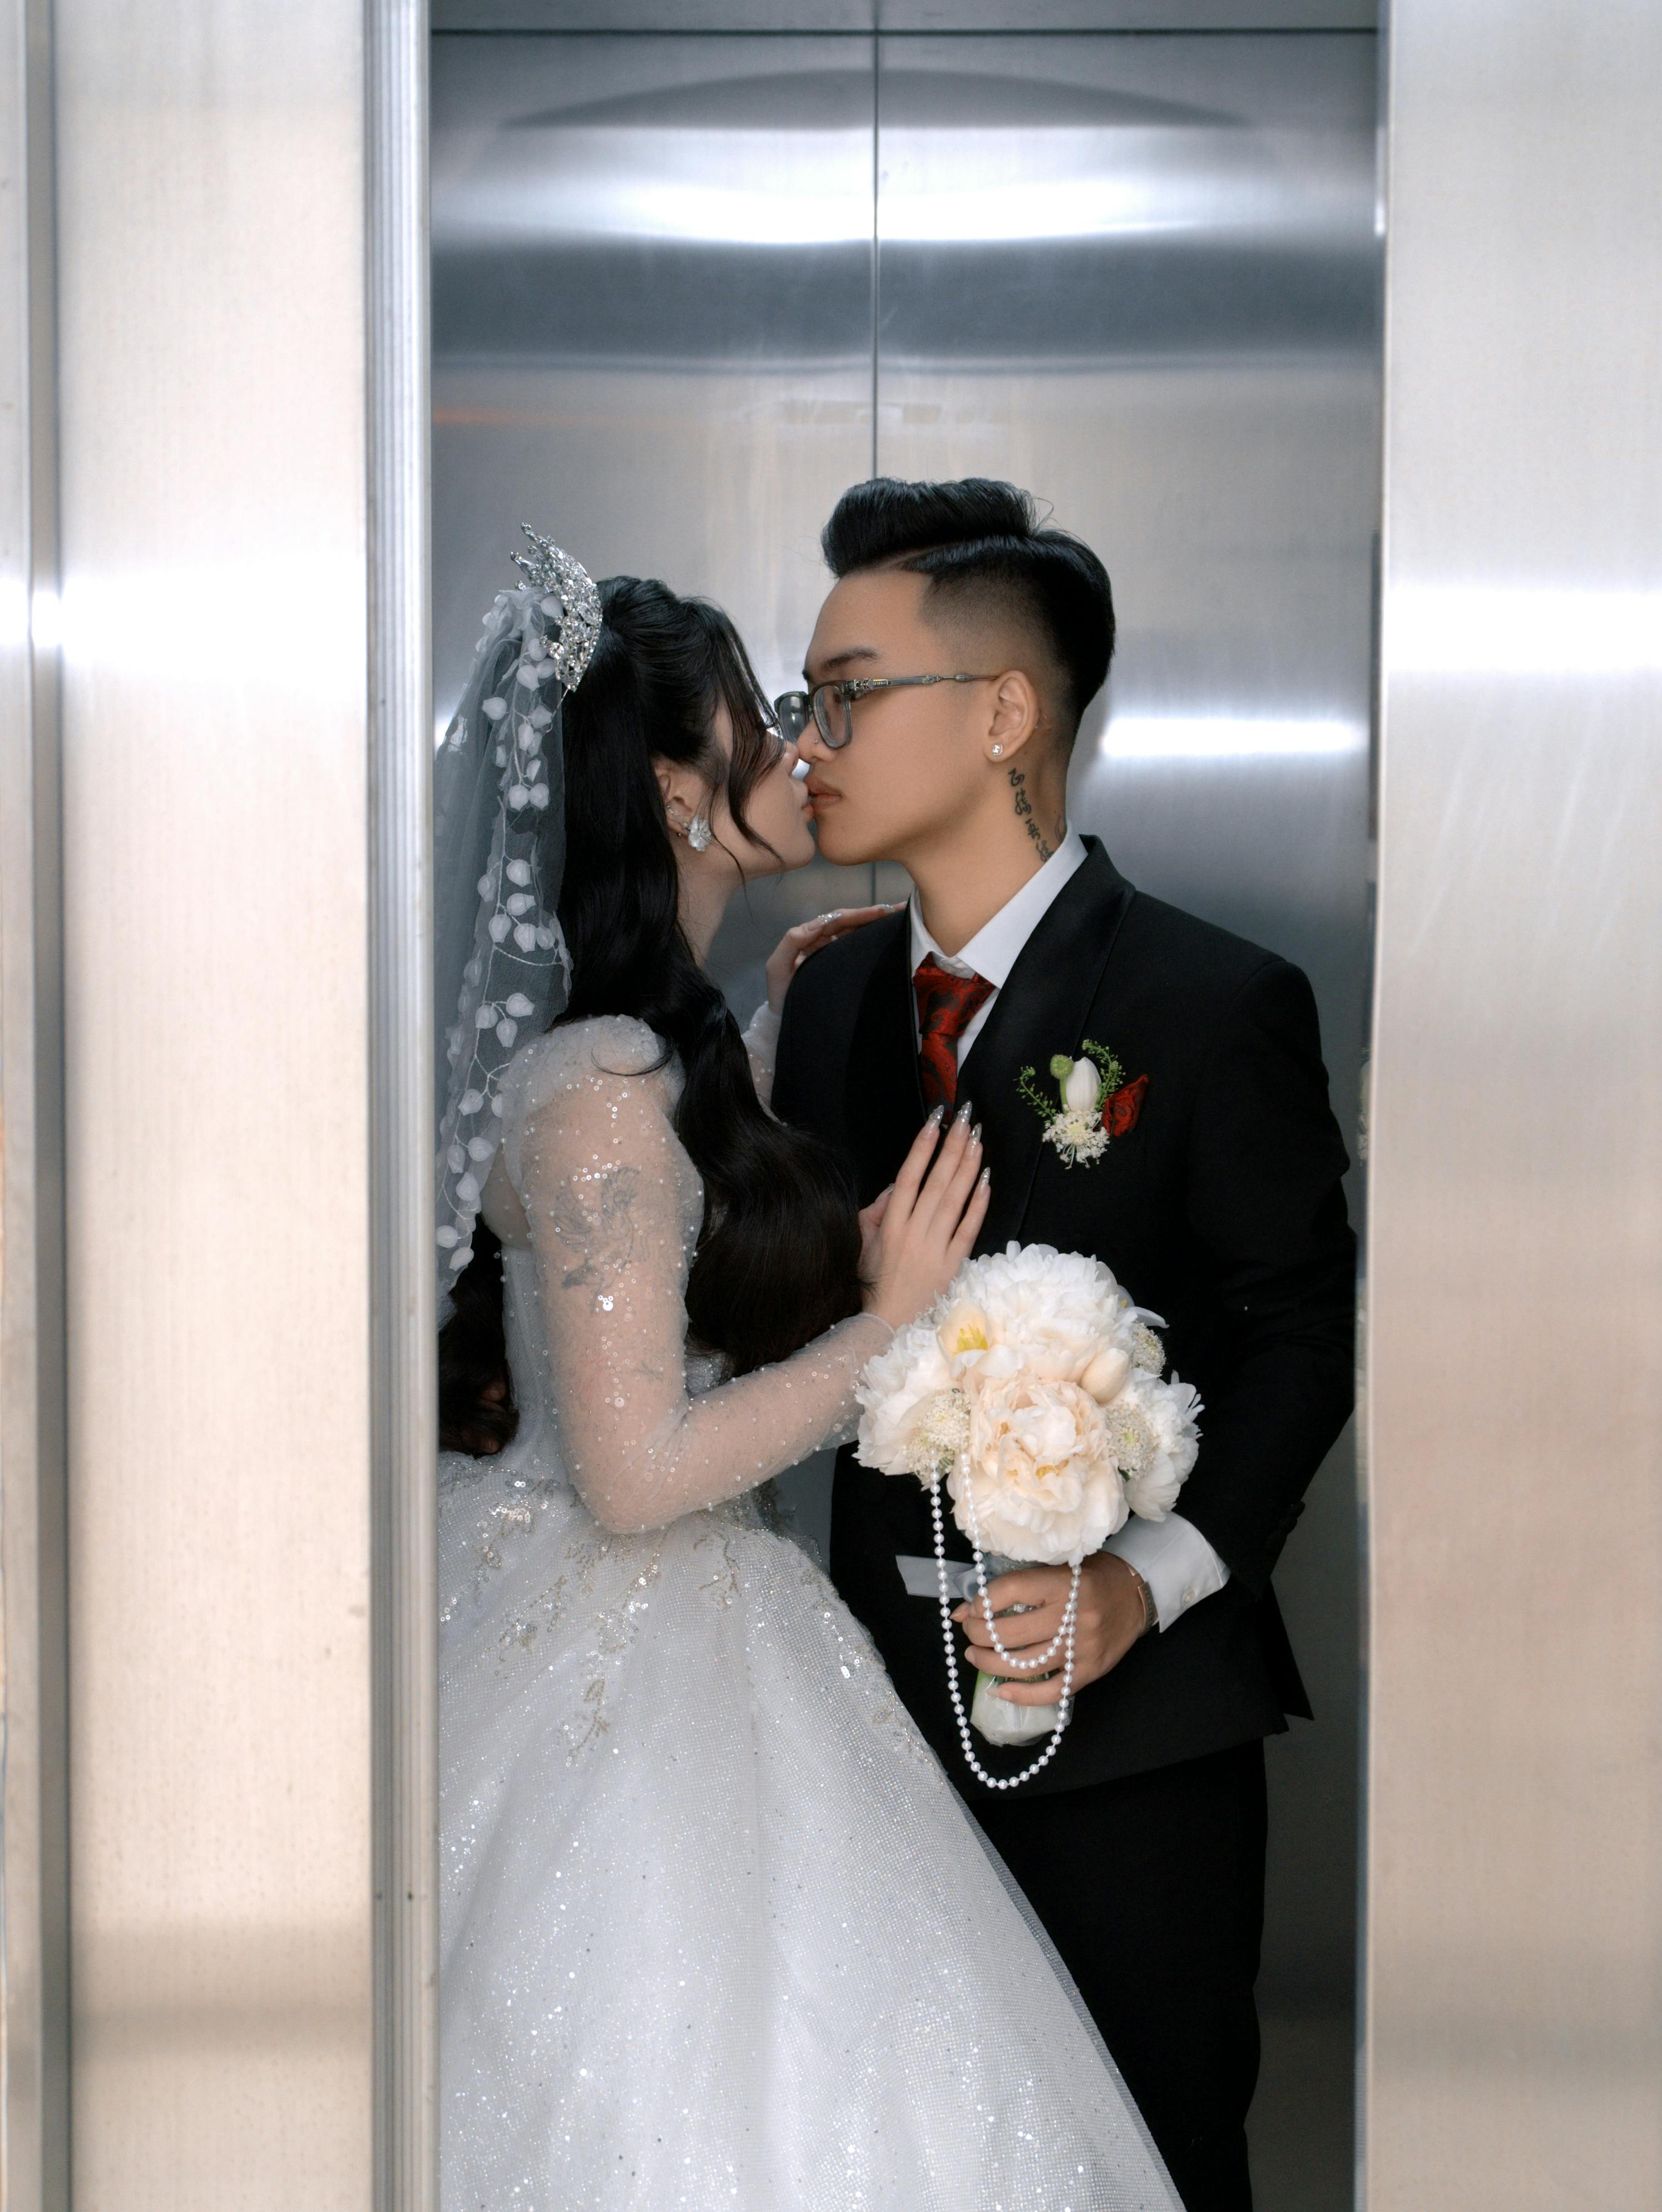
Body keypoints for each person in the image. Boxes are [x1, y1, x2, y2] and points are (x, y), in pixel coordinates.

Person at [429, 534, 1182, 2211]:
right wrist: (889, 1332)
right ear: (679, 796)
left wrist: (770, 1030)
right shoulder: (606, 1085)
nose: (802, 748)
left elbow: (670, 1259)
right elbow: (631, 1475)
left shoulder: (652, 1050)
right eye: (766, 719)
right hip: (645, 1633)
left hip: (686, 1617)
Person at [765, 478, 1359, 2212]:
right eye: (808, 700)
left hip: (1140, 1747)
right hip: (866, 1729)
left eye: (851, 692)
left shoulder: (1209, 1000)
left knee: (1155, 2164)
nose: (816, 739)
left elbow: (1300, 1336)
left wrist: (1147, 1578)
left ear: (1006, 714)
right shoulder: (827, 1000)